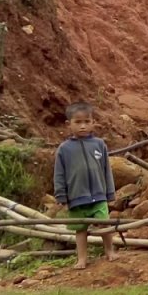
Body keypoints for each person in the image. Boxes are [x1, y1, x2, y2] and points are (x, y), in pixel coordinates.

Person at [52, 101, 116, 270]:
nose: (83, 126)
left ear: (93, 122)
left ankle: (109, 250)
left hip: (98, 194)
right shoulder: (64, 149)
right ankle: (82, 258)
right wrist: (61, 196)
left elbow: (106, 170)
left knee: (104, 223)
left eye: (87, 122)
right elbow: (59, 174)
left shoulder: (99, 144)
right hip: (76, 197)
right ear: (69, 124)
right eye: (78, 122)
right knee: (80, 230)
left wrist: (110, 193)